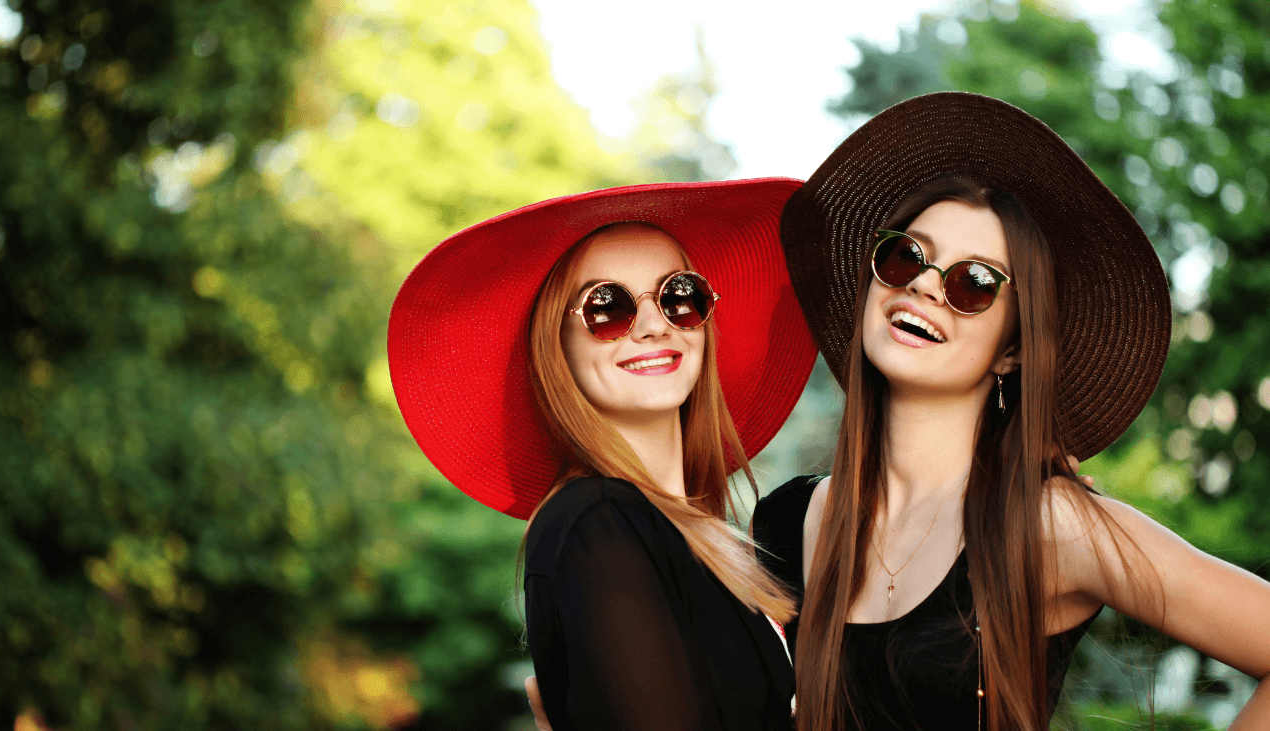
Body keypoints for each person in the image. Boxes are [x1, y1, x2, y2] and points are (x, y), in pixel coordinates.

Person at [752, 91, 1270, 730]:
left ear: (1013, 351)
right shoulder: (785, 521)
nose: (923, 285)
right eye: (905, 256)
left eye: (973, 283)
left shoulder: (1051, 524)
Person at [388, 179, 820, 731]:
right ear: (555, 344)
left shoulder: (693, 532)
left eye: (678, 295)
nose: (653, 324)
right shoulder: (599, 523)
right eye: (607, 307)